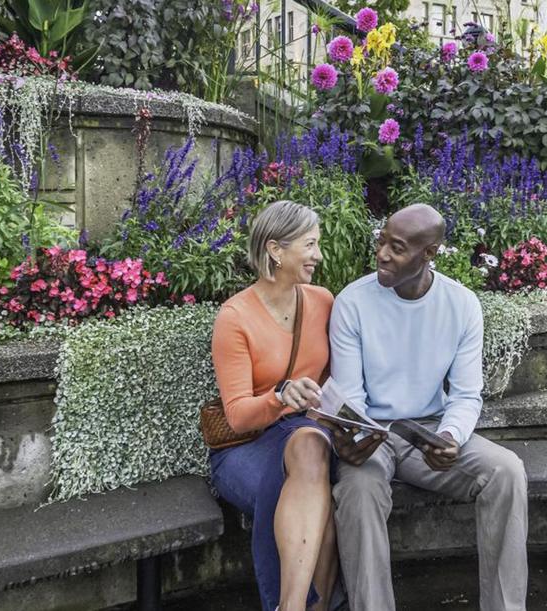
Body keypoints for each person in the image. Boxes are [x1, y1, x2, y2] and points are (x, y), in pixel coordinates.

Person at [324, 204, 529, 611]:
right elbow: (350, 398)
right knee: (359, 489)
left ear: (429, 254)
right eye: (381, 241)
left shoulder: (462, 305)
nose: (382, 253)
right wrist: (355, 439)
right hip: (373, 437)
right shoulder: (352, 303)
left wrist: (450, 437)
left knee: (506, 471)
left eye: (396, 248)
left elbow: (467, 394)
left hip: (429, 431)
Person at [208, 201, 340, 611]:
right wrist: (280, 396)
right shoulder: (234, 316)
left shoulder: (323, 301)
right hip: (247, 445)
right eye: (310, 244)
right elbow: (237, 415)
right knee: (315, 487)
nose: (318, 255)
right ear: (275, 250)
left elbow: (339, 381)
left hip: (311, 432)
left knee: (310, 446)